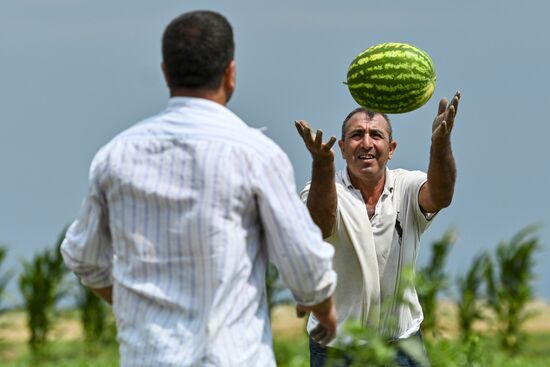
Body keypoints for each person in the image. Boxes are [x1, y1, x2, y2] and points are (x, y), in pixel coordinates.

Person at [61, 10, 338, 367]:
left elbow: (84, 257)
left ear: (165, 72)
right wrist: (325, 312)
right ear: (230, 73)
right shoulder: (256, 154)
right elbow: (303, 260)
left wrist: (139, 310)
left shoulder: (116, 155)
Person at [295, 91, 460, 367]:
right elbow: (318, 226)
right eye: (357, 135)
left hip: (402, 346)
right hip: (337, 350)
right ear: (343, 148)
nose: (367, 143)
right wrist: (322, 167)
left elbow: (440, 195)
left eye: (376, 135)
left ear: (391, 148)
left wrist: (440, 143)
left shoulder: (406, 185)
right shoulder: (321, 190)